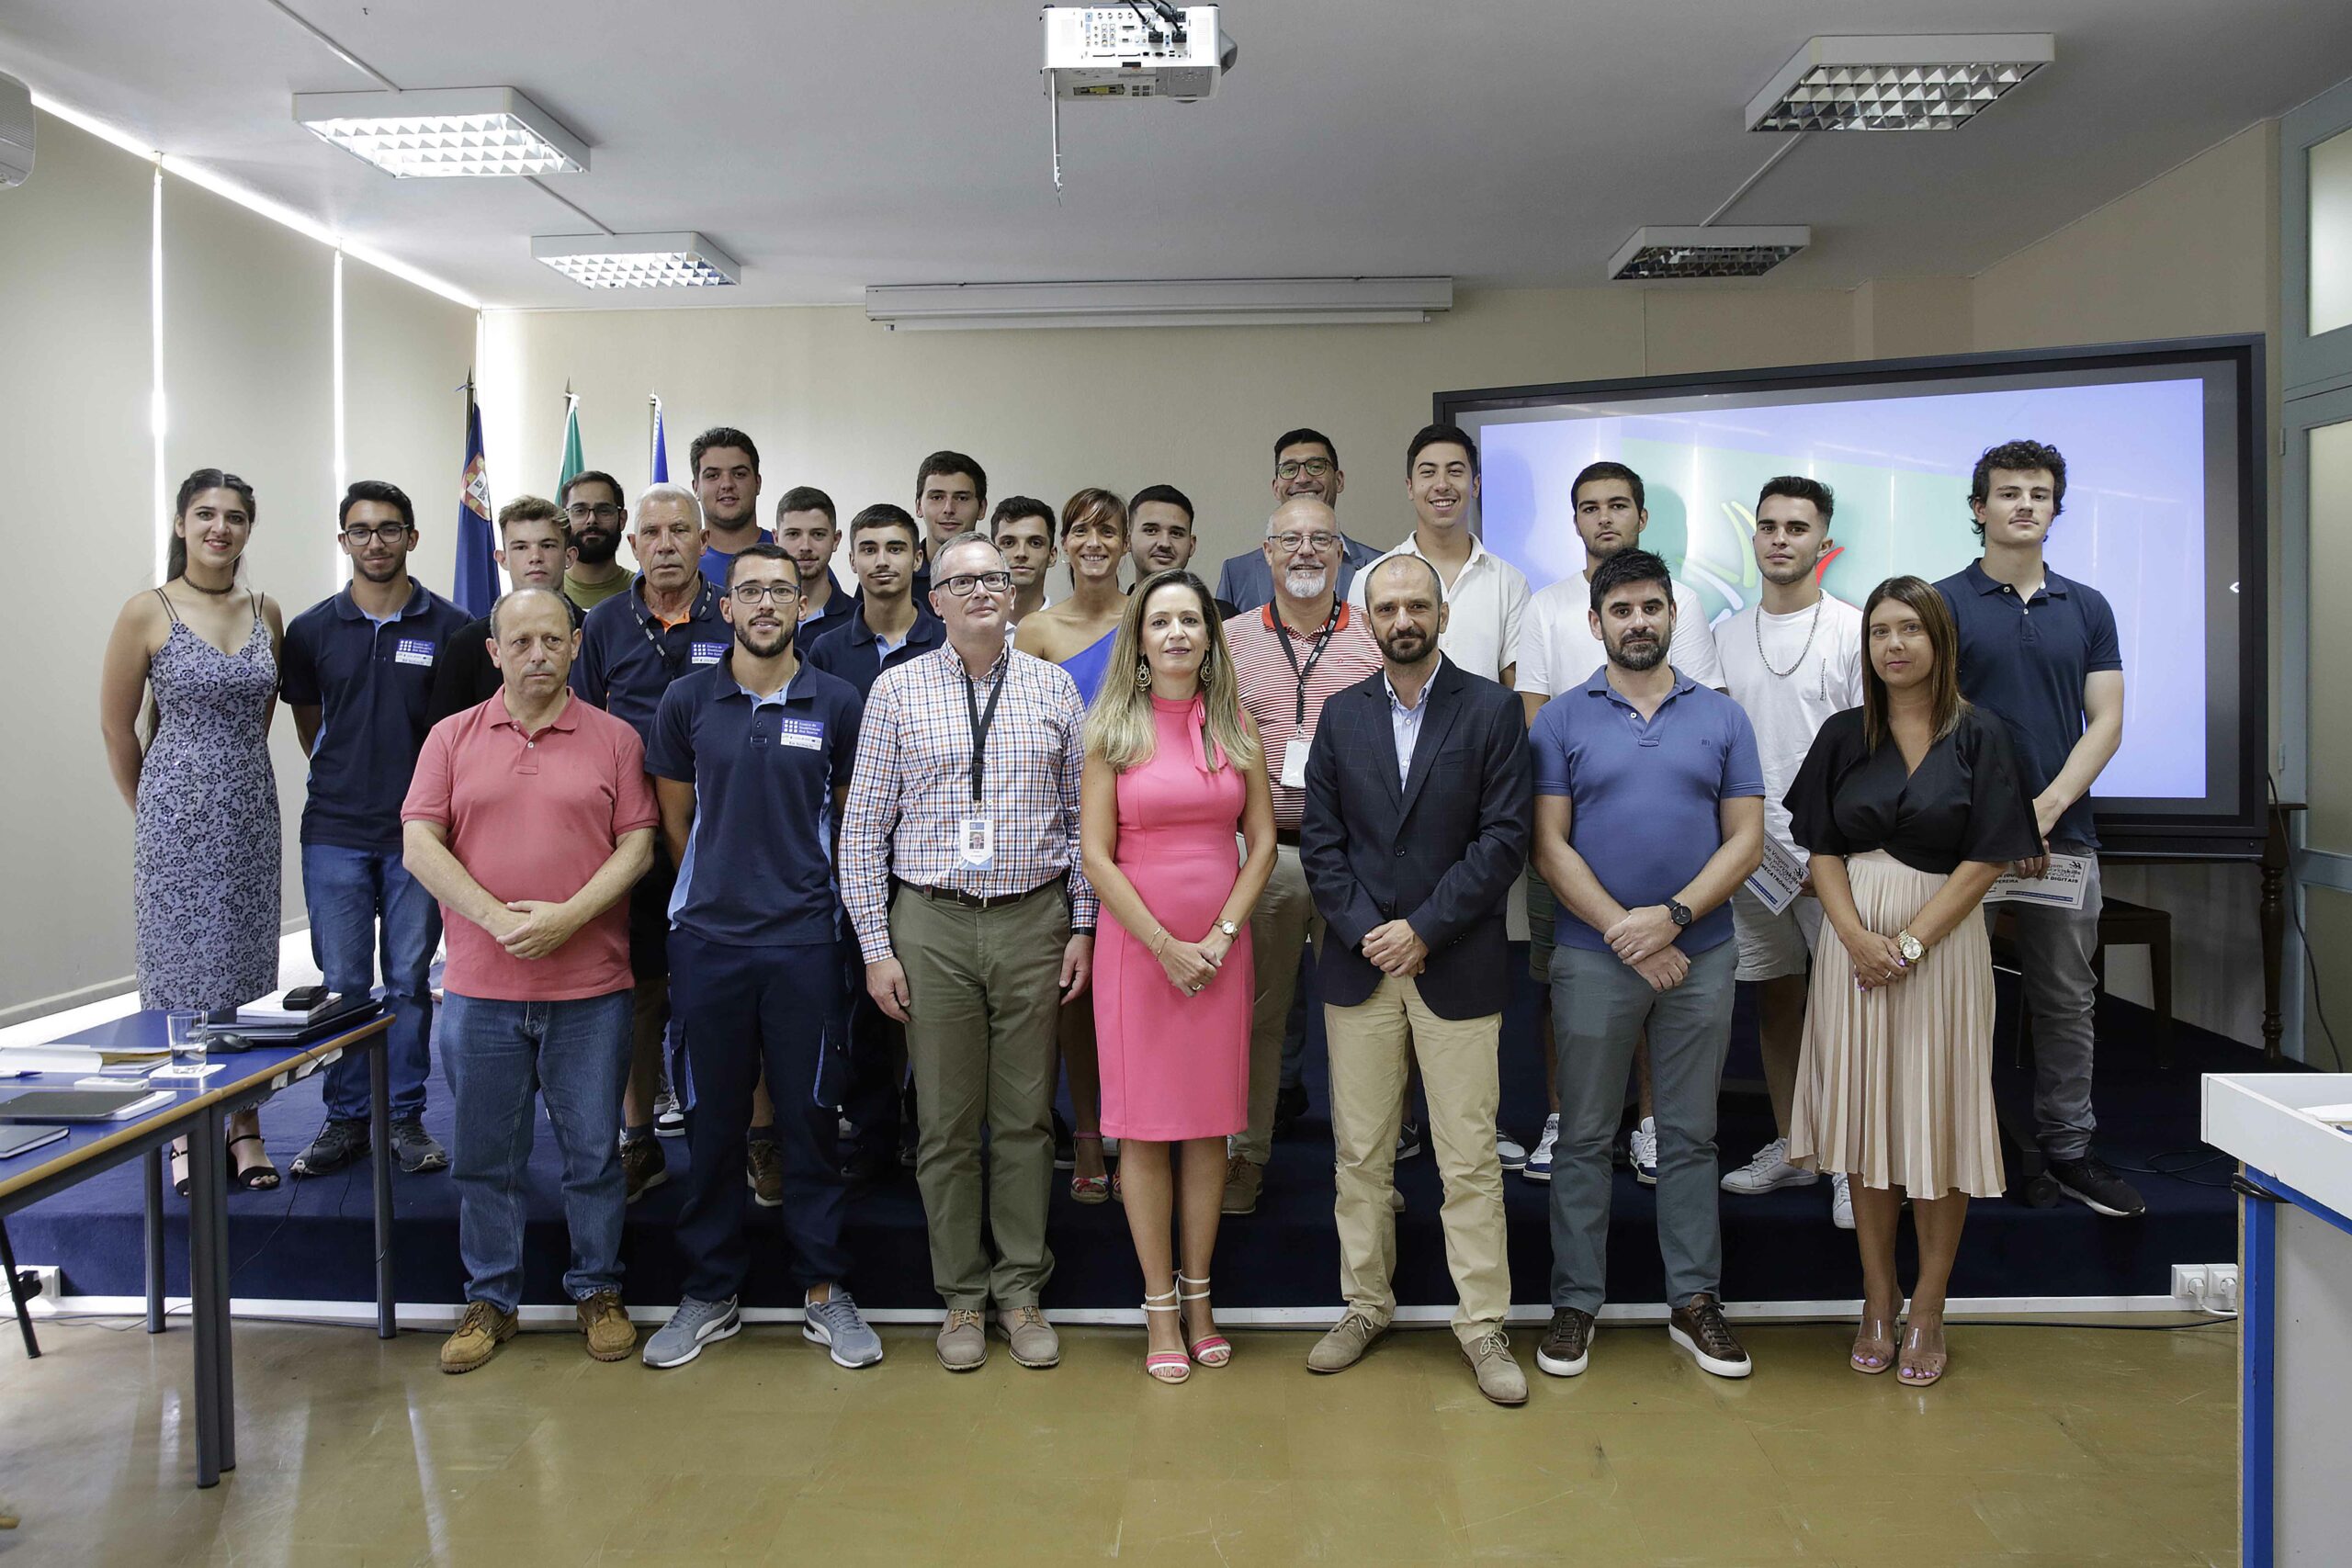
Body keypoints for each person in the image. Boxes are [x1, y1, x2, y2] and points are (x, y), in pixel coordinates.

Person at [842, 533, 1095, 1372]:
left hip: (1033, 920)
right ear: (935, 598)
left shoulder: (1057, 688)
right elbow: (861, 833)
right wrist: (878, 946)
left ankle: (1021, 1290)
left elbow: (1085, 825)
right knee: (948, 1124)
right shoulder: (895, 690)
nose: (982, 589)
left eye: (995, 577)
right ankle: (960, 1297)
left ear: (1014, 596)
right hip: (933, 923)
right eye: (961, 580)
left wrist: (1084, 925)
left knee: (1024, 1121)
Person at [1785, 576, 2041, 1386]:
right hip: (1853, 950)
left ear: (1940, 640)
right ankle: (1876, 1295)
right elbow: (1820, 849)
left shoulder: (1983, 734)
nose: (1893, 645)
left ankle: (1928, 1304)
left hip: (1943, 951)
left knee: (1936, 1122)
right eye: (1879, 631)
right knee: (1865, 1128)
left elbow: (1991, 854)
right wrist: (1857, 939)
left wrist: (1910, 942)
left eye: (1909, 629)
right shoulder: (1840, 735)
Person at [639, 546, 885, 1371]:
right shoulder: (686, 701)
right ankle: (710, 1291)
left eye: (781, 588)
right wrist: (718, 896)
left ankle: (823, 1288)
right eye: (751, 590)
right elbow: (676, 821)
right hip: (708, 942)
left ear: (802, 603)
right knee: (711, 1121)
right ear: (727, 603)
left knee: (811, 1118)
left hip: (806, 941)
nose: (767, 602)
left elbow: (853, 823)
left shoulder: (839, 700)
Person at [400, 587, 655, 1374]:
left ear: (577, 646)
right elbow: (420, 843)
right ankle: (492, 1298)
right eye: (522, 641)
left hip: (592, 988)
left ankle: (597, 1289)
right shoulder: (451, 736)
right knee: (486, 1155)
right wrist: (497, 918)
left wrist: (566, 918)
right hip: (481, 989)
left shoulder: (615, 739)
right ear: (494, 652)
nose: (538, 653)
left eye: (553, 638)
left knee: (593, 1153)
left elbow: (639, 845)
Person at [1299, 554, 1532, 1406]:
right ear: (1367, 620)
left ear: (1442, 612)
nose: (1403, 617)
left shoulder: (1494, 710)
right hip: (1360, 968)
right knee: (1359, 1153)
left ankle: (1482, 1325)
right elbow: (1320, 844)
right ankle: (1366, 1303)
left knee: (1468, 1156)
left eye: (1417, 604)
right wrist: (1372, 932)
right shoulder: (1338, 715)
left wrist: (1424, 928)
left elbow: (1505, 838)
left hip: (1455, 961)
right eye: (1387, 605)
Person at [1529, 549, 1764, 1384]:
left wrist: (1670, 920)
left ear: (1673, 616)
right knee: (1585, 1136)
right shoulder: (1558, 719)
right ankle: (1575, 1304)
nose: (1638, 621)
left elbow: (1746, 838)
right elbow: (1548, 844)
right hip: (1594, 958)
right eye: (1620, 609)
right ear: (1595, 623)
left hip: (1699, 952)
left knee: (1692, 1135)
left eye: (1651, 607)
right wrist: (1624, 931)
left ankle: (1696, 1302)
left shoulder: (1723, 718)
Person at [1933, 440, 2139, 1219]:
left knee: (2065, 997)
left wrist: (2044, 809)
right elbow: (1931, 722)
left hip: (2065, 837)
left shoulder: (2088, 607)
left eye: (2040, 493)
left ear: (2056, 508)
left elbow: (2107, 721)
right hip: (1960, 842)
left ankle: (2069, 1149)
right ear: (1979, 508)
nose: (2025, 504)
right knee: (1955, 997)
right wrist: (1997, 818)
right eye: (2008, 492)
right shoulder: (1940, 603)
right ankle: (1959, 1146)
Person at [1081, 569, 1276, 1381]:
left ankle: (1200, 1299)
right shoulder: (1111, 731)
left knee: (1207, 1131)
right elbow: (1095, 854)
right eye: (1160, 620)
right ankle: (1158, 1305)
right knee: (1146, 1132)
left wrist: (1223, 933)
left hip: (1220, 957)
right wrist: (1164, 944)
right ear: (1140, 637)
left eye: (1190, 619)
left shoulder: (1235, 726)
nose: (1176, 634)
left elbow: (1261, 842)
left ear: (1210, 635)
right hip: (1138, 955)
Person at [1516, 460, 1727, 1185]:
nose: (1603, 517)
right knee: (1558, 983)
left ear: (1641, 516)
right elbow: (1535, 715)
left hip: (1666, 852)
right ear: (1573, 521)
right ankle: (1563, 1115)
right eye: (1589, 507)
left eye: (1618, 505)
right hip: (1568, 839)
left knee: (1659, 990)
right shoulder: (1544, 606)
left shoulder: (1685, 603)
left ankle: (1649, 1124)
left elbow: (1706, 712)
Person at [1350, 423, 1532, 1172]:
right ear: (1409, 484)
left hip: (1473, 787)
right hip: (1389, 796)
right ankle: (1409, 1126)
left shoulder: (1508, 580)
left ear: (1476, 482)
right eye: (1427, 470)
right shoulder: (1384, 573)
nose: (1443, 484)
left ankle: (1461, 1126)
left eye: (1457, 470)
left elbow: (1518, 694)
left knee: (1462, 989)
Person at [98, 470, 286, 1193]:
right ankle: (182, 1130)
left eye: (235, 516)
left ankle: (244, 1126)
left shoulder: (267, 610)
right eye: (205, 514)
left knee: (235, 975)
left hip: (247, 810)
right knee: (179, 978)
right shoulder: (147, 611)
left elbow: (260, 716)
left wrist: (230, 786)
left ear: (247, 529)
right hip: (173, 814)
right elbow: (117, 727)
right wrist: (149, 809)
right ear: (180, 524)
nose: (220, 527)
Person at [281, 479, 470, 1179]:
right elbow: (310, 722)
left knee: (410, 980)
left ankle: (405, 1115)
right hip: (333, 827)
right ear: (344, 542)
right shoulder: (310, 631)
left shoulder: (451, 627)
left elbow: (456, 731)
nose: (376, 542)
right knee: (344, 983)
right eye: (360, 530)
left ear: (413, 538)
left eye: (390, 529)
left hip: (418, 834)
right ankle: (346, 1117)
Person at [575, 483, 741, 1203]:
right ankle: (638, 1138)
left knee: (732, 995)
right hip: (633, 840)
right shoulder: (604, 623)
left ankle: (748, 1140)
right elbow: (576, 728)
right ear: (632, 545)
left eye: (681, 530)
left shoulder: (736, 612)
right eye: (653, 532)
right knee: (641, 994)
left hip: (730, 832)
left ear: (706, 542)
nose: (667, 542)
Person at [1220, 497, 1384, 1214]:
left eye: (1322, 539)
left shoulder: (1379, 636)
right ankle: (1245, 1156)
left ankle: (1367, 1170)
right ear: (1267, 552)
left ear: (1343, 552)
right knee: (1256, 1017)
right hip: (1268, 854)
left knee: (1366, 1019)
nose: (1307, 551)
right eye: (1292, 539)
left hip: (1359, 861)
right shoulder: (1226, 641)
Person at [1712, 478, 1864, 1224]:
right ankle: (1795, 1146)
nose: (1780, 538)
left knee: (1843, 1008)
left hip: (1829, 857)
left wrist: (1826, 852)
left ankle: (1846, 1159)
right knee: (1777, 998)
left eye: (1797, 527)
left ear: (1822, 541)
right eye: (1767, 524)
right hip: (1749, 856)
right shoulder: (1723, 633)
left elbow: (1872, 754)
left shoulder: (1855, 628)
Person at [806, 503, 943, 1179]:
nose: (883, 560)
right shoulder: (826, 648)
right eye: (869, 548)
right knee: (863, 994)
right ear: (850, 560)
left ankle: (927, 1119)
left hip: (933, 852)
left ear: (919, 557)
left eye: (896, 547)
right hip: (852, 851)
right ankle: (875, 1126)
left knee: (933, 997)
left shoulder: (948, 639)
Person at [1013, 490, 1133, 1201]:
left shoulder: (1150, 617)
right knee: (1075, 992)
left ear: (1124, 545)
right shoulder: (1033, 629)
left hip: (1141, 820)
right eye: (1080, 530)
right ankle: (1087, 1128)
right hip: (1063, 825)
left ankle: (1143, 1129)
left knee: (1139, 990)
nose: (1093, 542)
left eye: (1107, 530)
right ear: (1062, 545)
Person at [427, 496, 582, 727]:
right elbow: (447, 735)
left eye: (547, 545)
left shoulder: (596, 633)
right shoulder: (468, 643)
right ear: (502, 558)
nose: (535, 557)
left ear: (569, 556)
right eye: (521, 547)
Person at [1216, 428, 1384, 611]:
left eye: (1316, 466)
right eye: (1289, 470)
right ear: (1275, 487)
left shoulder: (1380, 565)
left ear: (1339, 481)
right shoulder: (1237, 573)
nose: (1302, 478)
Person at [1127, 485, 1240, 619]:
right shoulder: (1108, 619)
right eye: (1151, 531)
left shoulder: (1224, 619)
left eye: (1176, 533)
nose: (1164, 543)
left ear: (1191, 545)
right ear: (1127, 541)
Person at [776, 486, 854, 649]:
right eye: (793, 534)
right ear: (776, 539)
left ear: (835, 540)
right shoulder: (760, 616)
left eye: (818, 534)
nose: (805, 546)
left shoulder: (860, 620)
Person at [691, 426, 770, 585]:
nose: (727, 484)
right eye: (713, 476)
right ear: (696, 488)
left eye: (739, 474)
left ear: (758, 483)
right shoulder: (674, 564)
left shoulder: (792, 555)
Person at [911, 450, 988, 598]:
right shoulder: (893, 578)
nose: (949, 509)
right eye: (937, 497)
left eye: (962, 498)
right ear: (919, 507)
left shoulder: (1002, 576)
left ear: (982, 508)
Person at [560, 471, 634, 613]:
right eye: (579, 510)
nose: (591, 520)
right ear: (565, 519)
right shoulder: (548, 593)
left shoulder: (644, 591)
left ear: (622, 519)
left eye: (604, 510)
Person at [990, 496, 1058, 629]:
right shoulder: (964, 631)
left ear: (1052, 555)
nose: (1021, 553)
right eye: (1009, 543)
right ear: (991, 552)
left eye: (1035, 543)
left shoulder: (1070, 633)